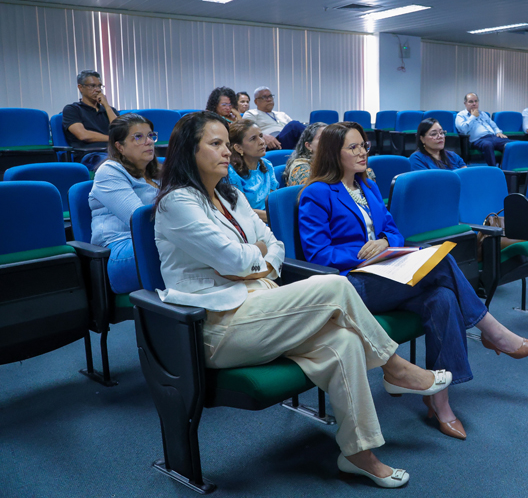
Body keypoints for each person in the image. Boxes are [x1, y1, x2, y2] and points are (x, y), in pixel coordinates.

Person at [154, 111, 448, 488]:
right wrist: (251, 259)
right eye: (215, 144)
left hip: (261, 307)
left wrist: (252, 261)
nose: (227, 151)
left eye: (227, 143)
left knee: (344, 343)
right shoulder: (177, 202)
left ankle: (358, 453)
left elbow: (272, 246)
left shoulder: (230, 195)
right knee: (334, 285)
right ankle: (395, 368)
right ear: (188, 151)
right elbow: (234, 260)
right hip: (217, 326)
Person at [298, 122, 528, 441]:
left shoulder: (367, 186)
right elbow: (317, 253)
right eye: (353, 147)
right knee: (440, 259)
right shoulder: (316, 193)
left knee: (443, 297)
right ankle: (494, 333)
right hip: (351, 286)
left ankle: (439, 401)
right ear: (334, 153)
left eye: (364, 146)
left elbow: (393, 230)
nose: (362, 153)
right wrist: (361, 255)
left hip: (386, 273)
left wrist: (385, 243)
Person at [88, 113, 160, 294]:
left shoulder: (157, 173)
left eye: (150, 135)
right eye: (138, 137)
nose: (149, 142)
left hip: (157, 241)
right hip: (121, 249)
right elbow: (141, 220)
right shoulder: (109, 172)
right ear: (119, 146)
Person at [62, 69, 120, 171]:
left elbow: (120, 131)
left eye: (99, 86)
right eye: (92, 86)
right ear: (80, 87)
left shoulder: (110, 110)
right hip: (91, 155)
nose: (97, 90)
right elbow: (83, 135)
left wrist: (106, 106)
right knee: (115, 164)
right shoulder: (72, 109)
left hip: (114, 152)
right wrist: (112, 139)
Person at [227, 120, 278, 223]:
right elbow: (244, 211)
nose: (262, 142)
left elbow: (273, 201)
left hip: (271, 219)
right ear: (239, 148)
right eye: (253, 139)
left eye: (261, 136)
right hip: (250, 224)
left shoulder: (267, 164)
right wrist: (278, 218)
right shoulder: (231, 172)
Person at [455, 93, 511, 167]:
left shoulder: (483, 114)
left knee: (512, 144)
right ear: (465, 103)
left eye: (476, 101)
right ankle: (493, 170)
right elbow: (463, 130)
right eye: (471, 101)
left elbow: (493, 125)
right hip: (478, 140)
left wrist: (498, 132)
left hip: (493, 137)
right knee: (488, 145)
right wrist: (473, 117)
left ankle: (508, 168)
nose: (474, 103)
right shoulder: (461, 115)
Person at [241, 86, 306, 150]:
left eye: (270, 96)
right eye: (264, 97)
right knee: (294, 125)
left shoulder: (281, 114)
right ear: (256, 101)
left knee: (301, 127)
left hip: (288, 139)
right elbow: (246, 130)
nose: (269, 99)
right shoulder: (251, 113)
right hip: (271, 144)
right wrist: (262, 136)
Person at [285, 122, 326, 187]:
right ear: (309, 146)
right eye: (322, 138)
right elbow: (313, 191)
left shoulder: (329, 162)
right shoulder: (300, 168)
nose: (329, 142)